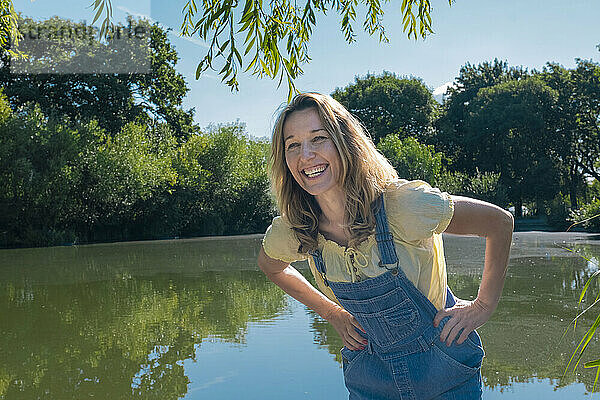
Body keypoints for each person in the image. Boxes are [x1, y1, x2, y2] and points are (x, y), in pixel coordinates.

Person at [257, 92, 513, 399]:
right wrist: (333, 314)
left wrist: (482, 306)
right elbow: (271, 267)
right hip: (369, 380)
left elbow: (499, 223)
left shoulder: (403, 206)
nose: (306, 155)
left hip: (446, 375)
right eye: (293, 145)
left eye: (319, 138)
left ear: (345, 144)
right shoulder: (295, 229)